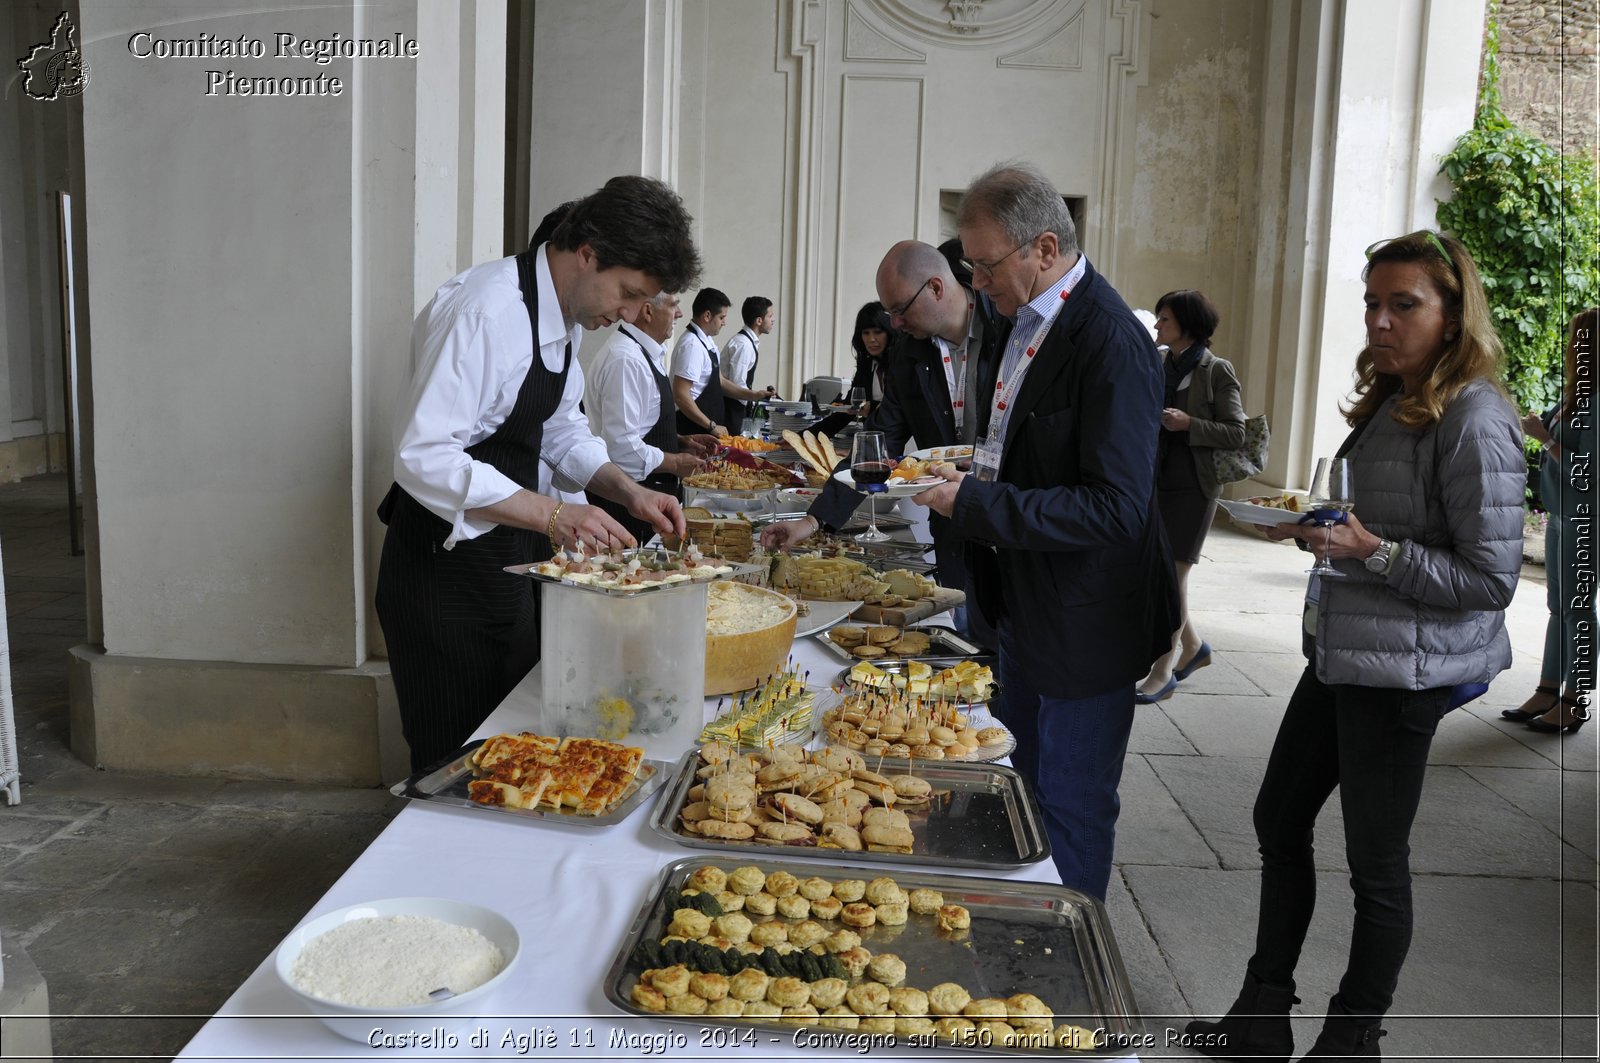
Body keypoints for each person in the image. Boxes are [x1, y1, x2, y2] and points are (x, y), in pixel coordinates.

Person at [1187, 230, 1524, 1060]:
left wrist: (1372, 551)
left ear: (1452, 315)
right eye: (1372, 303)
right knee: (1278, 816)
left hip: (1403, 673)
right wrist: (1327, 533)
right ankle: (1262, 1015)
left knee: (1375, 864)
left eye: (1403, 305)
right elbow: (1377, 521)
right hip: (1346, 651)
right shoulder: (1393, 392)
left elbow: (1491, 580)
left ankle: (1351, 1039)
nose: (1379, 320)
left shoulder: (1476, 418)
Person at [911, 162, 1180, 901]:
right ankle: (1018, 927)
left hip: (1085, 621)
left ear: (1046, 248)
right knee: (1020, 788)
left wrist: (972, 503)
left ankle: (1067, 985)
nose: (977, 279)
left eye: (986, 263)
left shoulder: (1111, 340)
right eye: (969, 264)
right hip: (1021, 604)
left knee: (1072, 803)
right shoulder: (1020, 318)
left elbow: (1116, 509)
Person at [376, 175, 697, 772]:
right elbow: (424, 454)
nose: (631, 313)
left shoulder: (564, 320)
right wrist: (556, 514)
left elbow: (560, 428)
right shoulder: (486, 310)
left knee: (515, 757)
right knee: (455, 766)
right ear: (587, 253)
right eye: (628, 293)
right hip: (443, 580)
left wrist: (630, 492)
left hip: (506, 567)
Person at [759, 241, 1004, 647]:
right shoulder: (910, 352)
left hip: (1014, 518)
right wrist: (813, 520)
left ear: (936, 288)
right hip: (953, 524)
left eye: (900, 310)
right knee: (972, 638)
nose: (894, 324)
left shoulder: (1007, 328)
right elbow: (879, 442)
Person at [1136, 289, 1246, 702]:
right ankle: (1194, 648)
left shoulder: (1216, 370)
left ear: (1187, 325)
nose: (1159, 325)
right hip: (1155, 482)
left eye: (1165, 319)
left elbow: (1236, 432)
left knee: (1174, 576)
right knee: (1166, 576)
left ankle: (1163, 671)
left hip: (1195, 486)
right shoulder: (1160, 362)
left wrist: (1189, 424)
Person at [1501, 306, 1597, 734]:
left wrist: (1546, 439)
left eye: (1576, 338)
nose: (1569, 347)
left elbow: (1589, 471)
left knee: (1577, 609)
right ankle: (1546, 689)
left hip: (1586, 519)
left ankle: (1575, 701)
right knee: (1558, 607)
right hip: (1562, 515)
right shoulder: (1576, 395)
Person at [583, 290, 721, 543]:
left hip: (650, 498)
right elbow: (622, 450)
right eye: (673, 305)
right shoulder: (626, 360)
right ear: (648, 311)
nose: (679, 313)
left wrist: (679, 440)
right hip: (629, 506)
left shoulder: (646, 353)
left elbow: (639, 425)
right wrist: (677, 463)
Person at [671, 288, 775, 435]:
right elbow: (681, 395)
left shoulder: (707, 341)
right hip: (691, 427)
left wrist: (754, 395)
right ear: (707, 316)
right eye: (721, 317)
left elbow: (720, 381)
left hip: (705, 426)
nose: (724, 323)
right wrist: (711, 426)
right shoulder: (692, 346)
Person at [720, 296, 776, 431]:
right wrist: (754, 400)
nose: (773, 320)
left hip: (736, 407)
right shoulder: (743, 344)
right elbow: (737, 382)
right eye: (770, 316)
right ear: (759, 320)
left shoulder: (747, 342)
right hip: (731, 410)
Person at [847, 301, 893, 415]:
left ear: (889, 332)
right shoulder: (866, 364)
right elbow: (850, 405)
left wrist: (872, 407)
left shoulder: (901, 364)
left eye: (878, 332)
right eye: (866, 333)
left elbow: (901, 408)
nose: (871, 339)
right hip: (870, 431)